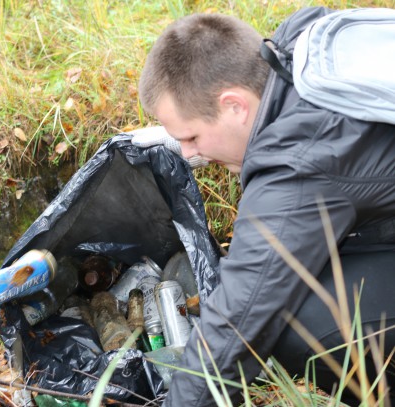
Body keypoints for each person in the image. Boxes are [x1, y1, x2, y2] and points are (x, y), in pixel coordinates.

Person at [131, 7, 395, 406]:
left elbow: (240, 321)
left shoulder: (298, 162)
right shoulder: (299, 46)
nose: (187, 154)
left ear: (235, 105)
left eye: (192, 137)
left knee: (294, 323)